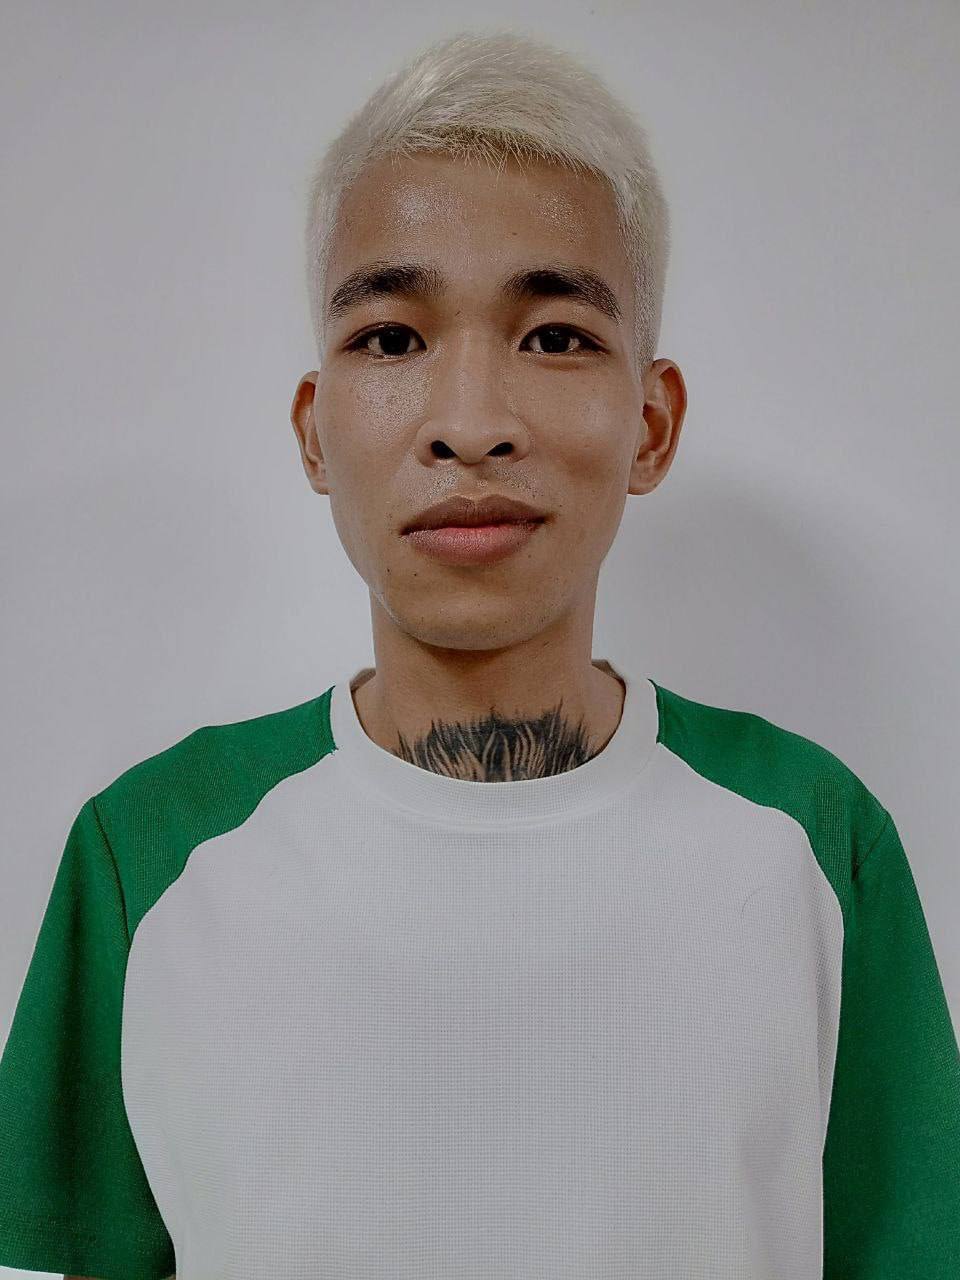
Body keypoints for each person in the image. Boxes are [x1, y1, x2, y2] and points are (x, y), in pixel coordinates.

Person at [1, 26, 958, 1280]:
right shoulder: (147, 856)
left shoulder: (818, 845)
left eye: (554, 334)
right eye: (391, 337)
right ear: (314, 430)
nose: (469, 424)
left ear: (652, 422)